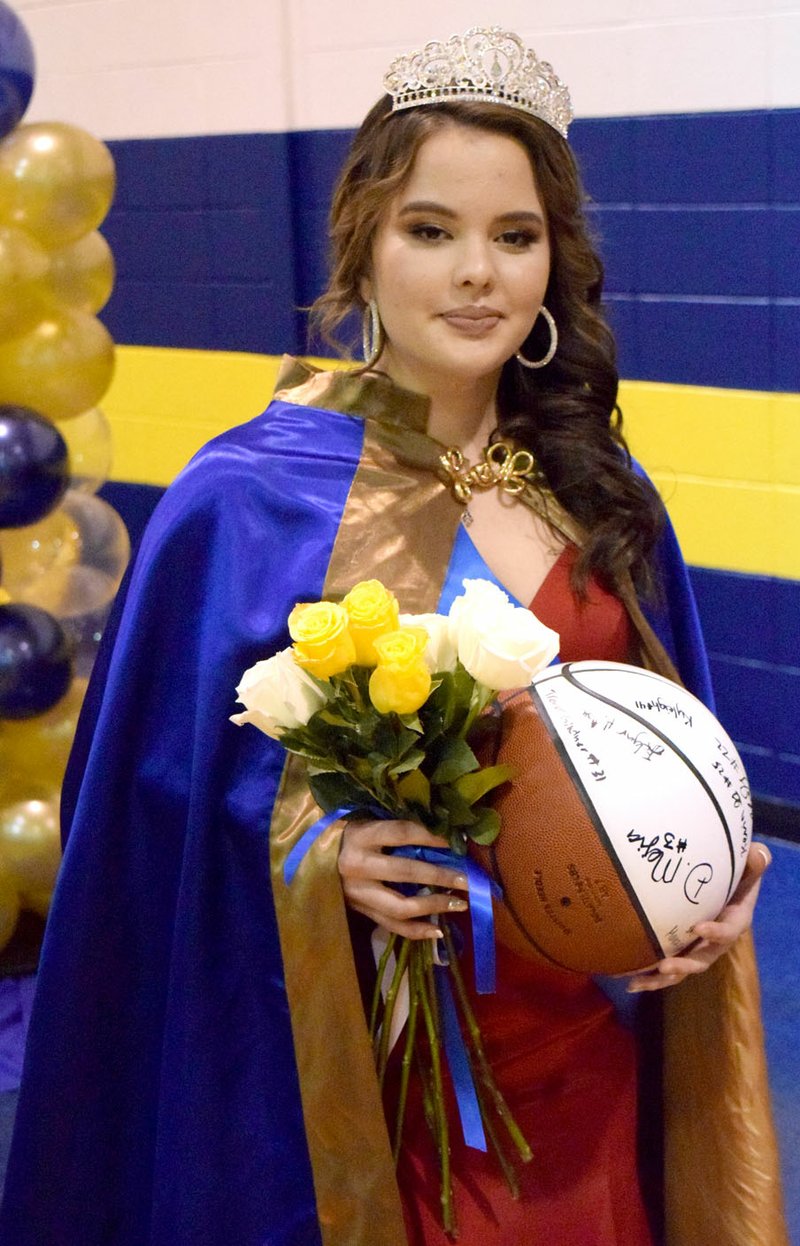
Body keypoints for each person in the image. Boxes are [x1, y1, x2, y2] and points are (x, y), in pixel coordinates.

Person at [0, 25, 787, 1246]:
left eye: (512, 236)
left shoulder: (595, 487)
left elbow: (668, 741)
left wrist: (709, 863)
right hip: (356, 1101)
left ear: (551, 265)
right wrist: (321, 855)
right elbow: (146, 824)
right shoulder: (244, 500)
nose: (475, 273)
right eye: (431, 230)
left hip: (584, 1056)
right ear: (364, 245)